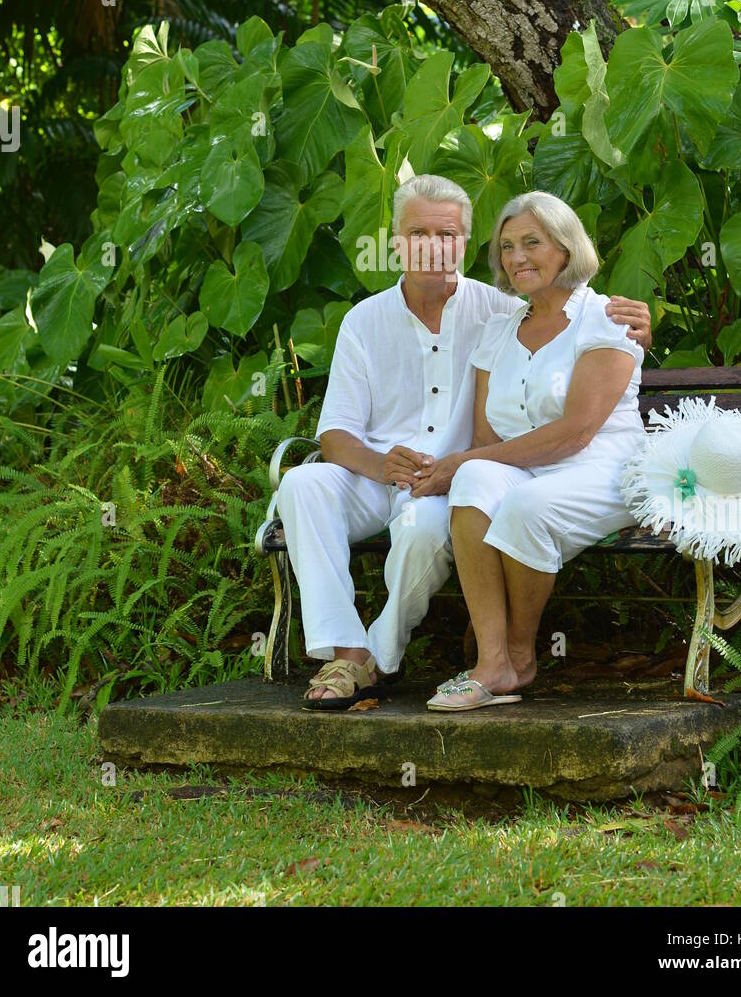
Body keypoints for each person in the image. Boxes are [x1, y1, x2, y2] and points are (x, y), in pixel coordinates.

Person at [275, 175, 651, 710]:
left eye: (447, 234)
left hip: (454, 482)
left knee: (424, 526)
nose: (432, 246)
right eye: (418, 233)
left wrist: (637, 329)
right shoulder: (366, 321)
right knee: (302, 485)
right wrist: (381, 465)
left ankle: (378, 657)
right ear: (396, 241)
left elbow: (574, 351)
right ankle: (346, 649)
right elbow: (334, 432)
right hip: (382, 475)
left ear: (465, 242)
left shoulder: (501, 308)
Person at [417, 191, 646, 711]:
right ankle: (491, 660)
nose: (516, 256)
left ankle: (519, 656)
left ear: (566, 249)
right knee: (474, 480)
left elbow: (576, 433)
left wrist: (462, 462)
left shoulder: (606, 318)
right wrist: (463, 466)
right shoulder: (499, 330)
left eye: (532, 242)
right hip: (528, 470)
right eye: (507, 247)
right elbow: (485, 441)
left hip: (603, 468)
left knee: (521, 503)